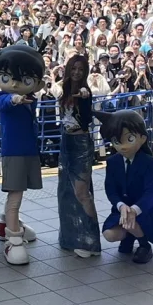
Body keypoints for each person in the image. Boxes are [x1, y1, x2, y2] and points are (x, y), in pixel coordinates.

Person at [0, 44, 46, 266]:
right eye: (6, 77)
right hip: (14, 152)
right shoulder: (4, 98)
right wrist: (16, 99)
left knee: (18, 193)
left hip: (28, 151)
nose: (14, 83)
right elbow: (6, 102)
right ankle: (14, 238)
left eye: (23, 78)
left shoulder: (31, 100)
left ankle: (9, 225)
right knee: (15, 195)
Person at [97, 109, 153, 264]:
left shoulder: (149, 163)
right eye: (117, 141)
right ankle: (129, 235)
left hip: (146, 209)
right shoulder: (113, 162)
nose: (123, 146)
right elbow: (111, 190)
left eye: (130, 139)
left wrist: (134, 209)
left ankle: (143, 244)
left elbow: (152, 193)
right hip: (122, 210)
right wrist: (121, 206)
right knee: (109, 234)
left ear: (142, 138)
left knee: (130, 220)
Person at [56, 55, 100, 258]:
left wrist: (84, 97)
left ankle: (91, 240)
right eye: (73, 68)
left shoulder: (85, 92)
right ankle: (70, 237)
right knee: (65, 191)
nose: (76, 72)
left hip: (81, 144)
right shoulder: (64, 89)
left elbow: (87, 116)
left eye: (81, 69)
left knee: (82, 192)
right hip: (66, 142)